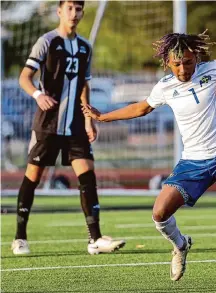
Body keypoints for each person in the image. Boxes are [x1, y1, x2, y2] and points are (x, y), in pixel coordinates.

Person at [82, 31, 216, 282]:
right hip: (193, 161)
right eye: (176, 64)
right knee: (159, 213)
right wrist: (102, 117)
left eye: (188, 62)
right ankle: (180, 246)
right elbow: (141, 108)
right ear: (167, 62)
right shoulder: (165, 87)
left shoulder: (213, 70)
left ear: (196, 57)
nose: (183, 68)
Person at [11, 1, 125, 255]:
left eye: (79, 9)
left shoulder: (85, 46)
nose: (75, 14)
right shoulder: (47, 41)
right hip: (48, 124)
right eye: (70, 8)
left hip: (74, 124)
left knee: (88, 176)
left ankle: (94, 238)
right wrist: (38, 95)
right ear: (60, 11)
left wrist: (88, 118)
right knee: (33, 177)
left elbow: (85, 84)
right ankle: (20, 237)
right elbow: (24, 77)